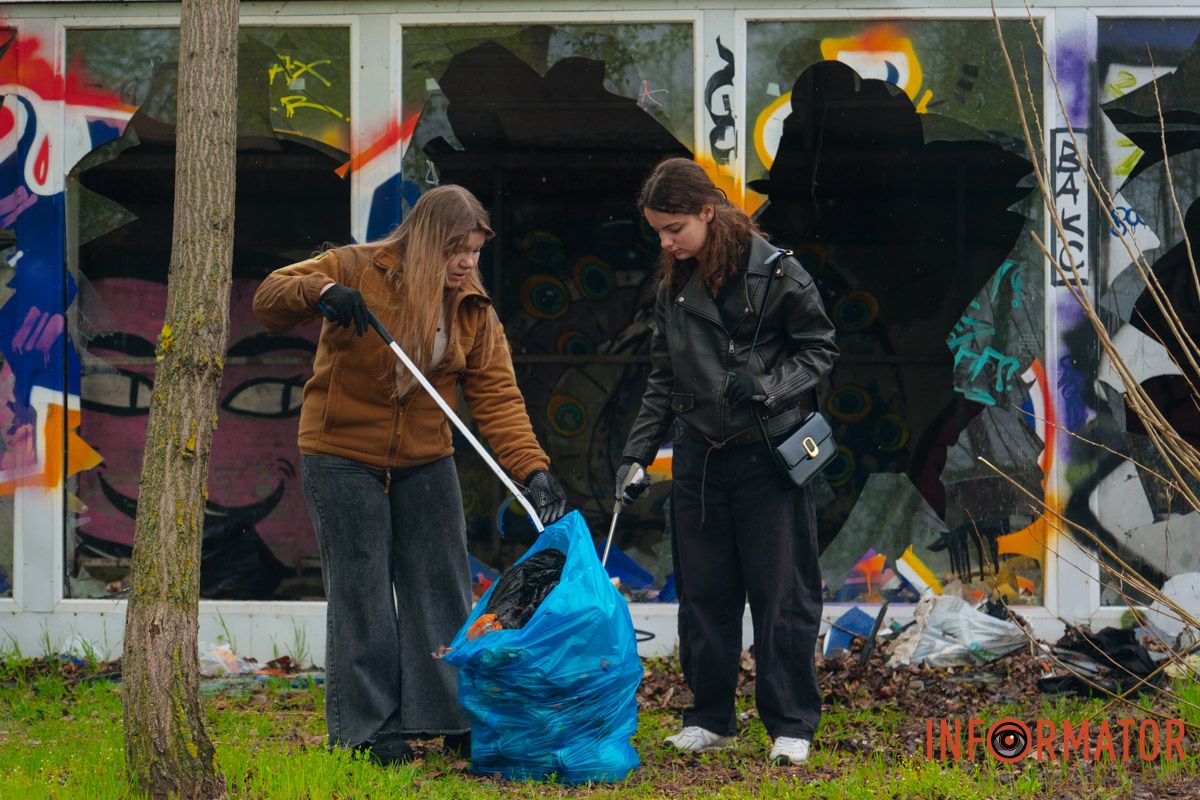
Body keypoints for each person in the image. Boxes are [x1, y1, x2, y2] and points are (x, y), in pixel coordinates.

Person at [253, 184, 567, 765]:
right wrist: (323, 292)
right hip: (341, 452)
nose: (467, 262)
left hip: (426, 458)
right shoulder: (356, 265)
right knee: (362, 588)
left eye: (474, 250)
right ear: (425, 240)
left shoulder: (473, 306)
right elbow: (271, 297)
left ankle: (446, 715)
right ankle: (370, 728)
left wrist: (532, 471)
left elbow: (497, 395)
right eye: (456, 249)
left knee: (441, 584)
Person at [616, 158, 837, 765]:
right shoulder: (672, 284)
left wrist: (768, 387)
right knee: (704, 595)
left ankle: (791, 722)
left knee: (781, 596)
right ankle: (710, 716)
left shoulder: (779, 273)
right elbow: (661, 376)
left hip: (768, 457)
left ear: (707, 212)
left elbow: (820, 349)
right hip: (698, 459)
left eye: (674, 228)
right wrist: (636, 455)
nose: (665, 241)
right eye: (657, 230)